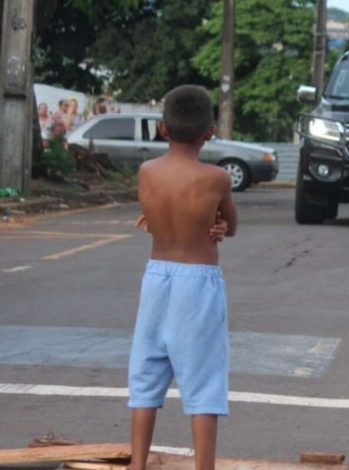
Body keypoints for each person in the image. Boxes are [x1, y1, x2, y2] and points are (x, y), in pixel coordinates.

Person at [127, 84, 238, 470]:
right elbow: (231, 225)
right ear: (210, 130)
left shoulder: (147, 171)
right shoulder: (217, 177)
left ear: (162, 129)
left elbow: (156, 215)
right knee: (203, 380)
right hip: (198, 280)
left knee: (146, 373)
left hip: (156, 278)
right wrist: (220, 225)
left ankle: (136, 464)